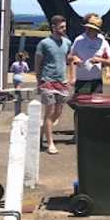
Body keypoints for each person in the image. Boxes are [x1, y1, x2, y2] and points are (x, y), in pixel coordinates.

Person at [35, 15, 72, 155]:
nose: (63, 29)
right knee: (49, 112)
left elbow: (69, 59)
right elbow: (38, 63)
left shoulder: (67, 42)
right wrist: (39, 81)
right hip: (47, 81)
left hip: (61, 82)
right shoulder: (44, 43)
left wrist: (71, 75)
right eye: (61, 27)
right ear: (54, 27)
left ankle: (44, 128)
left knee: (58, 112)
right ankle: (50, 143)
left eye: (64, 26)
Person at [69, 13, 110, 95]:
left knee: (96, 105)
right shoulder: (79, 40)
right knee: (81, 105)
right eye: (88, 27)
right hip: (81, 80)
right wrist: (75, 59)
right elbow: (70, 57)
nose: (88, 30)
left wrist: (99, 60)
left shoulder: (102, 41)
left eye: (91, 28)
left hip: (96, 81)